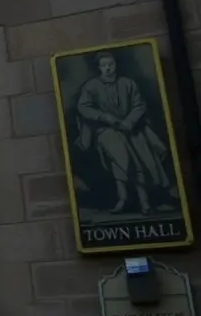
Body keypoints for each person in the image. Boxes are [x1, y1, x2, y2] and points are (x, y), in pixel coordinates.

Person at [74, 50, 178, 215]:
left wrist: (129, 122)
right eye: (104, 66)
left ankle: (143, 200)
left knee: (139, 153)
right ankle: (124, 198)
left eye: (111, 64)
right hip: (106, 130)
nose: (108, 68)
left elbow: (139, 105)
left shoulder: (128, 83)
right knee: (120, 156)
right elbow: (84, 107)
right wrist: (106, 117)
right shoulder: (91, 86)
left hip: (131, 128)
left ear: (115, 65)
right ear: (99, 68)